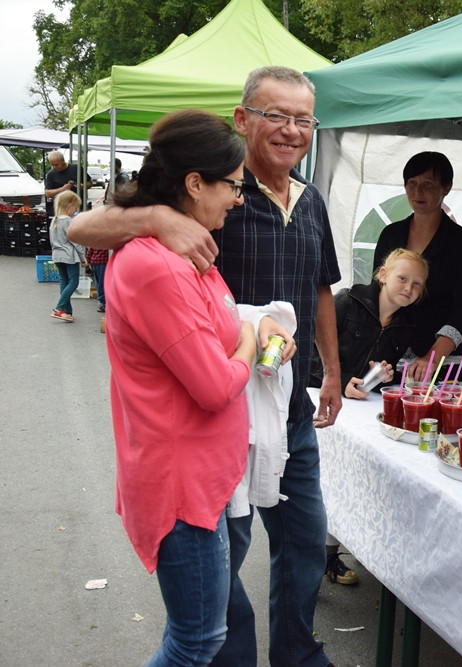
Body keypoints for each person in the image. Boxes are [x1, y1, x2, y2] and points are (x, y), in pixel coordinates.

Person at [68, 66, 342, 667]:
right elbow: (78, 226)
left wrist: (331, 374)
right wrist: (152, 218)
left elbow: (321, 288)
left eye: (304, 119)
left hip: (286, 403)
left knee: (301, 542)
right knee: (219, 567)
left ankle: (295, 652)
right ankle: (228, 656)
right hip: (217, 418)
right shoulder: (195, 206)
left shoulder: (310, 199)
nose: (292, 131)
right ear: (243, 119)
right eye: (278, 115)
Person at [103, 108, 261, 665]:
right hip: (180, 482)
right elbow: (216, 386)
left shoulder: (186, 250)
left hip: (202, 476)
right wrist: (245, 340)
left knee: (200, 632)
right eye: (234, 186)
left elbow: (216, 327)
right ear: (195, 183)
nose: (238, 199)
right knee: (197, 640)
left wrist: (243, 332)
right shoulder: (159, 265)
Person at [372, 152, 462, 383]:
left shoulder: (461, 242)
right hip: (390, 358)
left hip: (443, 363)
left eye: (428, 184)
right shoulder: (390, 235)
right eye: (412, 183)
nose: (417, 191)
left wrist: (432, 357)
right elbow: (377, 293)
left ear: (446, 188)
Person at [336, 248, 427, 399]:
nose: (409, 288)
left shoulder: (406, 327)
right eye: (402, 278)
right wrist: (341, 382)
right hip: (318, 395)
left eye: (417, 283)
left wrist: (383, 377)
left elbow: (384, 376)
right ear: (383, 275)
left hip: (358, 405)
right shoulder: (348, 301)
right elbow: (308, 353)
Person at [49, 190, 85, 323]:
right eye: (75, 207)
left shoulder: (54, 220)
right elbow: (75, 242)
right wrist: (83, 258)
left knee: (64, 282)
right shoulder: (69, 221)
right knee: (73, 282)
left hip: (57, 255)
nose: (75, 210)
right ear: (70, 206)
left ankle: (67, 311)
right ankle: (58, 308)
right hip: (70, 256)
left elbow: (51, 240)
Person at [43, 151, 81, 220]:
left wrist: (83, 186)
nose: (54, 167)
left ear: (63, 160)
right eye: (52, 165)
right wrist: (62, 189)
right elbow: (48, 193)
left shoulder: (76, 168)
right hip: (61, 210)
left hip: (77, 207)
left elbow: (89, 183)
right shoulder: (51, 174)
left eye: (56, 164)